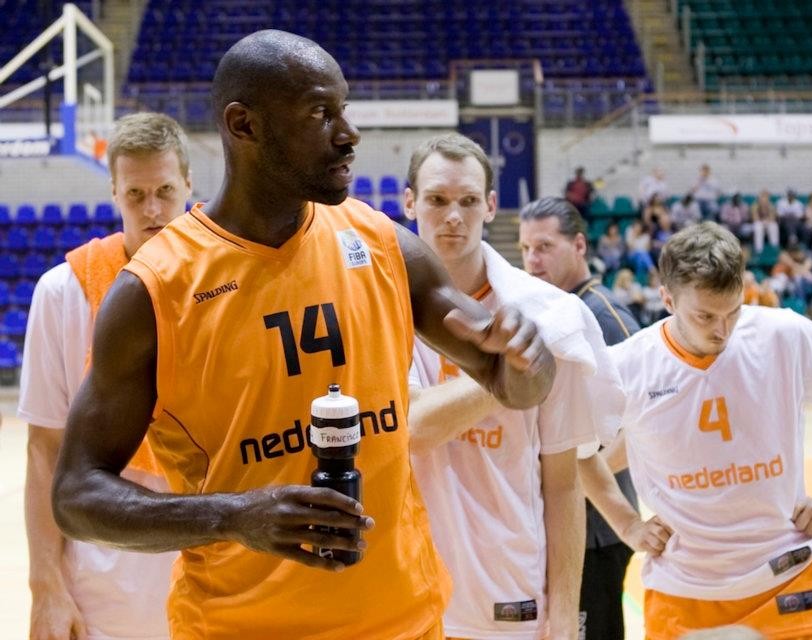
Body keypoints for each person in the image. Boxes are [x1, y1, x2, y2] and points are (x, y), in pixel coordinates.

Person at [52, 30, 557, 640]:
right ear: (244, 125)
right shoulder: (155, 290)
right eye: (320, 114)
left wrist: (527, 359)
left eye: (343, 110)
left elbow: (513, 384)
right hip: (237, 629)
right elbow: (77, 496)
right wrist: (233, 516)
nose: (348, 134)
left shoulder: (382, 244)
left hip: (404, 622)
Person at [608, 222, 812, 638]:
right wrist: (627, 524)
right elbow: (579, 452)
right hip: (685, 590)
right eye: (705, 316)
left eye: (733, 311)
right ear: (667, 299)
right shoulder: (627, 364)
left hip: (793, 574)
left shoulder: (784, 334)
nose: (722, 330)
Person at [403, 136, 630, 640]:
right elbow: (413, 428)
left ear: (490, 205)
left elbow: (563, 481)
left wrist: (565, 615)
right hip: (406, 594)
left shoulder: (551, 316)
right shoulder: (380, 303)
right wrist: (513, 373)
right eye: (437, 199)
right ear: (410, 202)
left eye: (468, 200)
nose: (453, 216)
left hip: (509, 592)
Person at [19, 112, 191, 640]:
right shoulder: (61, 292)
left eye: (165, 190)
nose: (152, 209)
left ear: (189, 186)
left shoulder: (236, 283)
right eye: (135, 194)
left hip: (213, 558)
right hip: (103, 582)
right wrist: (46, 586)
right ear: (114, 192)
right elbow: (45, 448)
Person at [518, 196, 664, 640]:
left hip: (599, 530)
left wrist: (576, 478)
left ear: (579, 245)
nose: (532, 259)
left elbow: (646, 418)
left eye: (544, 247)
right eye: (525, 249)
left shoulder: (604, 315)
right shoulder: (552, 309)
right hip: (568, 523)